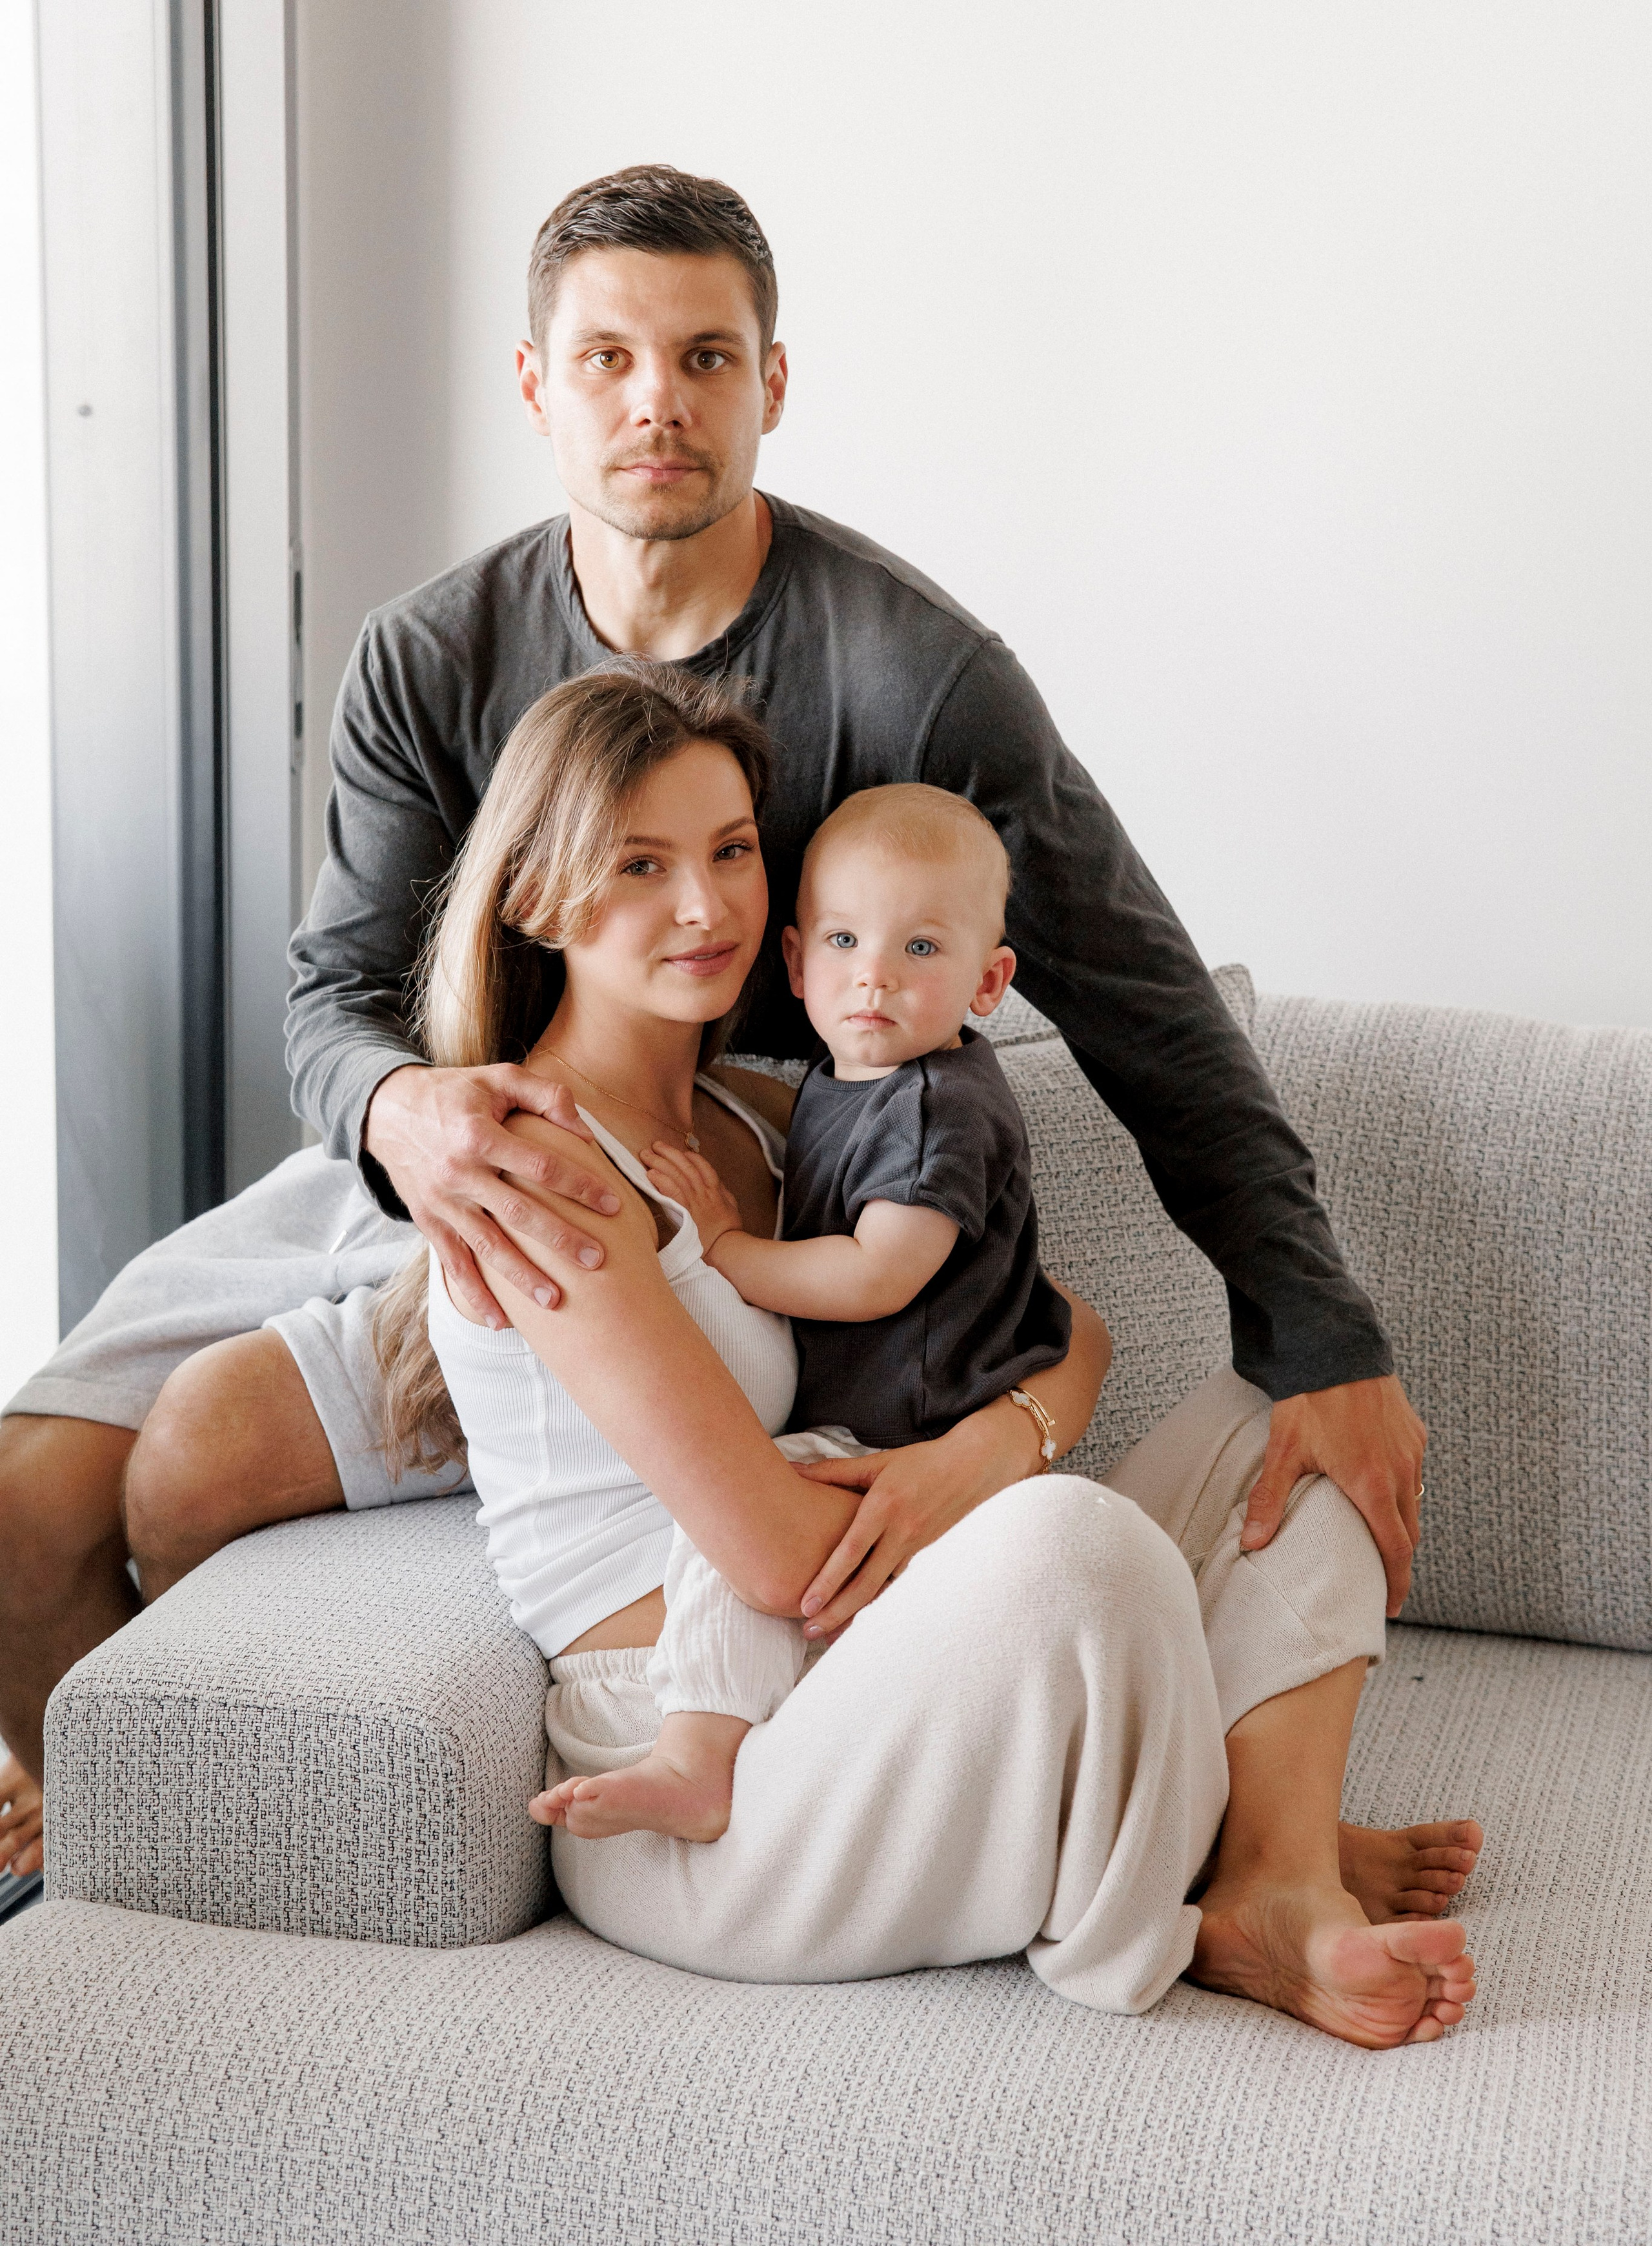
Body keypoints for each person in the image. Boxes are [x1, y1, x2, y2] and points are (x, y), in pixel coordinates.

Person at [0, 165, 1456, 1908]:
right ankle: (81, 1838)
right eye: (608, 360)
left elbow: (1154, 1017)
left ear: (773, 382)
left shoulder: (916, 676)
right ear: (538, 387)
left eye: (704, 357)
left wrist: (1329, 1328)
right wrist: (402, 1116)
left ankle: (1203, 1831)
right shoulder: (424, 660)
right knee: (36, 1507)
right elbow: (333, 1001)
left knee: (225, 1452)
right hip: (448, 1136)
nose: (656, 404)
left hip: (743, 1178)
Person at [378, 655, 1476, 2042]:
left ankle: (1268, 1862)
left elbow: (1068, 1333)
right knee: (1075, 1549)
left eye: (728, 852)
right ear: (540, 894)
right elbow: (778, 1558)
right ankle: (1193, 1874)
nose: (704, 904)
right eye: (640, 864)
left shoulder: (771, 1119)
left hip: (867, 1655)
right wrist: (998, 1481)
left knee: (1291, 1419)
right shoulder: (533, 1164)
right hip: (717, 1769)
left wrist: (980, 1454)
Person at [539, 778, 1080, 1841]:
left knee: (731, 1521)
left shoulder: (932, 1105)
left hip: (903, 1423)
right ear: (798, 961)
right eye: (843, 939)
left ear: (989, 981)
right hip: (845, 1478)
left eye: (922, 950)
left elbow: (881, 1276)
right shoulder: (831, 1085)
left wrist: (731, 1249)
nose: (873, 974)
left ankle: (699, 1758)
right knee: (729, 1525)